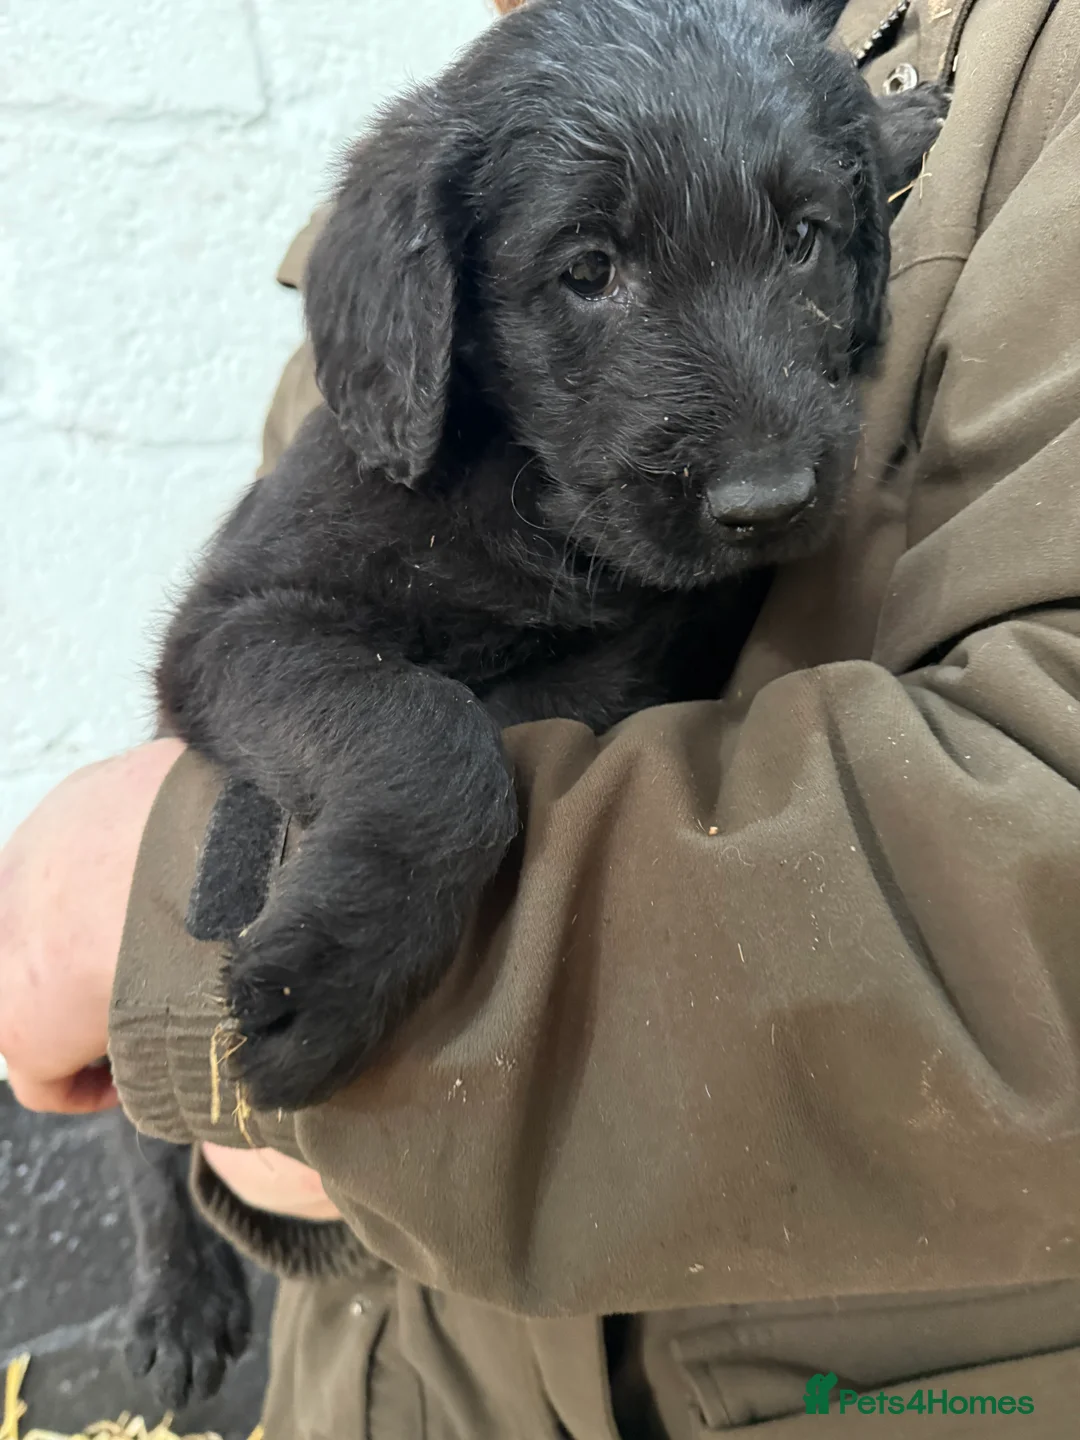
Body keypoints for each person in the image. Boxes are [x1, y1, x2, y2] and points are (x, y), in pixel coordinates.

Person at [4, 0, 1080, 1433]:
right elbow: (232, 657)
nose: (764, 462)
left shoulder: (1012, 81)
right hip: (403, 1355)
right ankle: (165, 1255)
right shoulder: (450, 219)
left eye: (802, 241)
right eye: (589, 271)